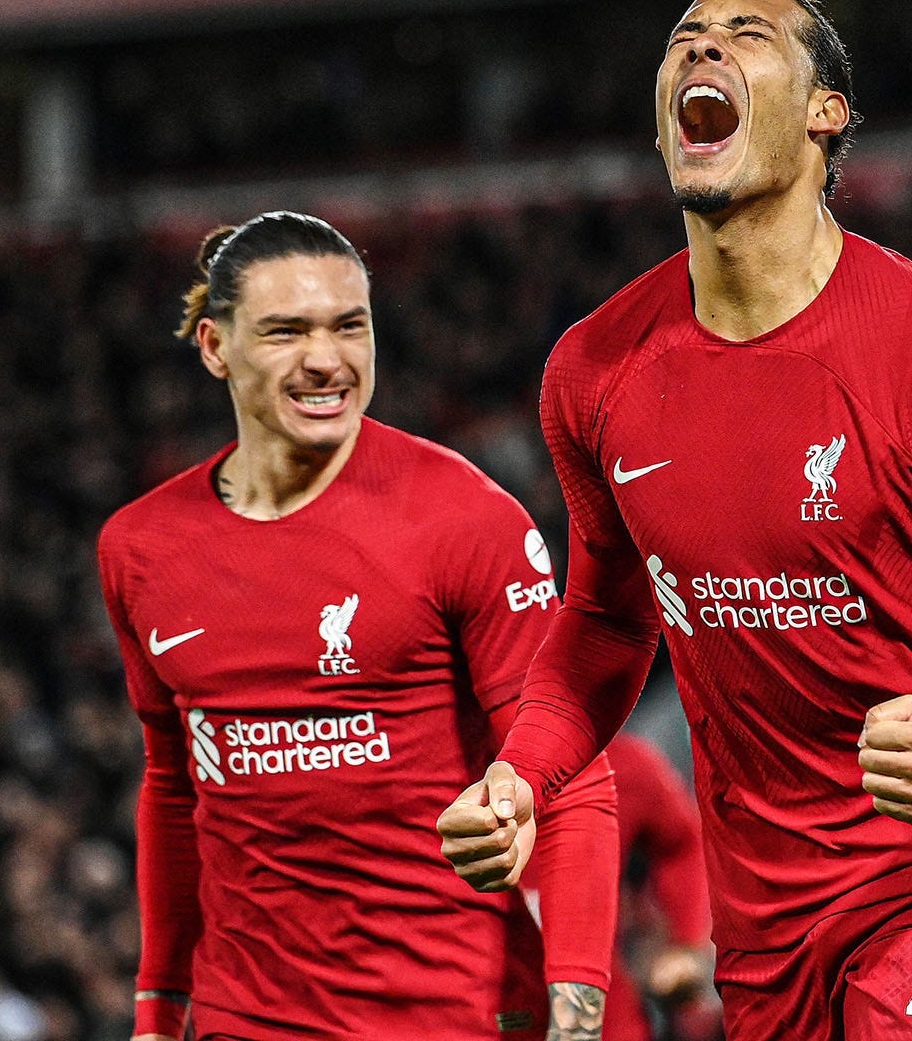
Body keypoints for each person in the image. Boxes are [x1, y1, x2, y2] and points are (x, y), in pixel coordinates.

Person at [436, 0, 912, 1039]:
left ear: (825, 113)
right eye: (685, 42)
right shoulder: (594, 372)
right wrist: (522, 775)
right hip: (764, 910)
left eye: (745, 36)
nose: (701, 54)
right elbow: (608, 623)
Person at [98, 211, 619, 1040]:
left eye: (350, 326)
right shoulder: (140, 549)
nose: (326, 360)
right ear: (214, 347)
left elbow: (574, 781)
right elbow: (171, 789)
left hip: (450, 1013)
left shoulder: (464, 521)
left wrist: (576, 1017)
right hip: (244, 1015)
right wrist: (159, 1010)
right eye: (285, 331)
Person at [603, 731, 719, 1041]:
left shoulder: (616, 764)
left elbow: (682, 844)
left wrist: (686, 944)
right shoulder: (465, 776)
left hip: (607, 1014)